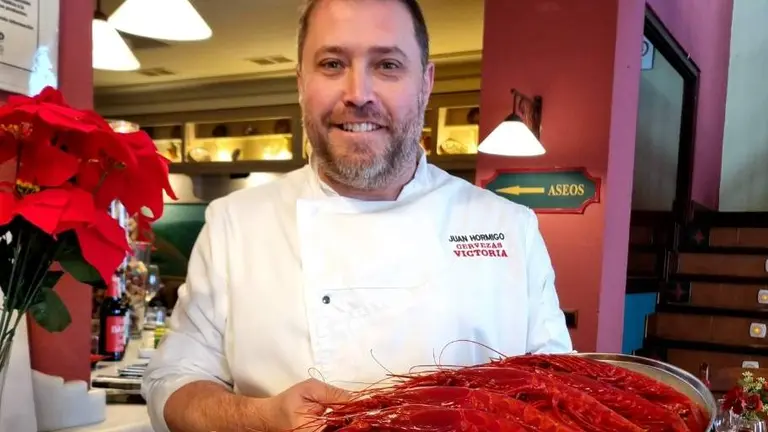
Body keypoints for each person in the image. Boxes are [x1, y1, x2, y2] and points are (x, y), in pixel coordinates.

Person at [141, 0, 574, 431]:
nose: (358, 94)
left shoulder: (509, 227)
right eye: (332, 64)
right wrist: (263, 418)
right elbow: (172, 382)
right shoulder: (234, 224)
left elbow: (561, 398)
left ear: (425, 83)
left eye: (387, 65)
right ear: (301, 82)